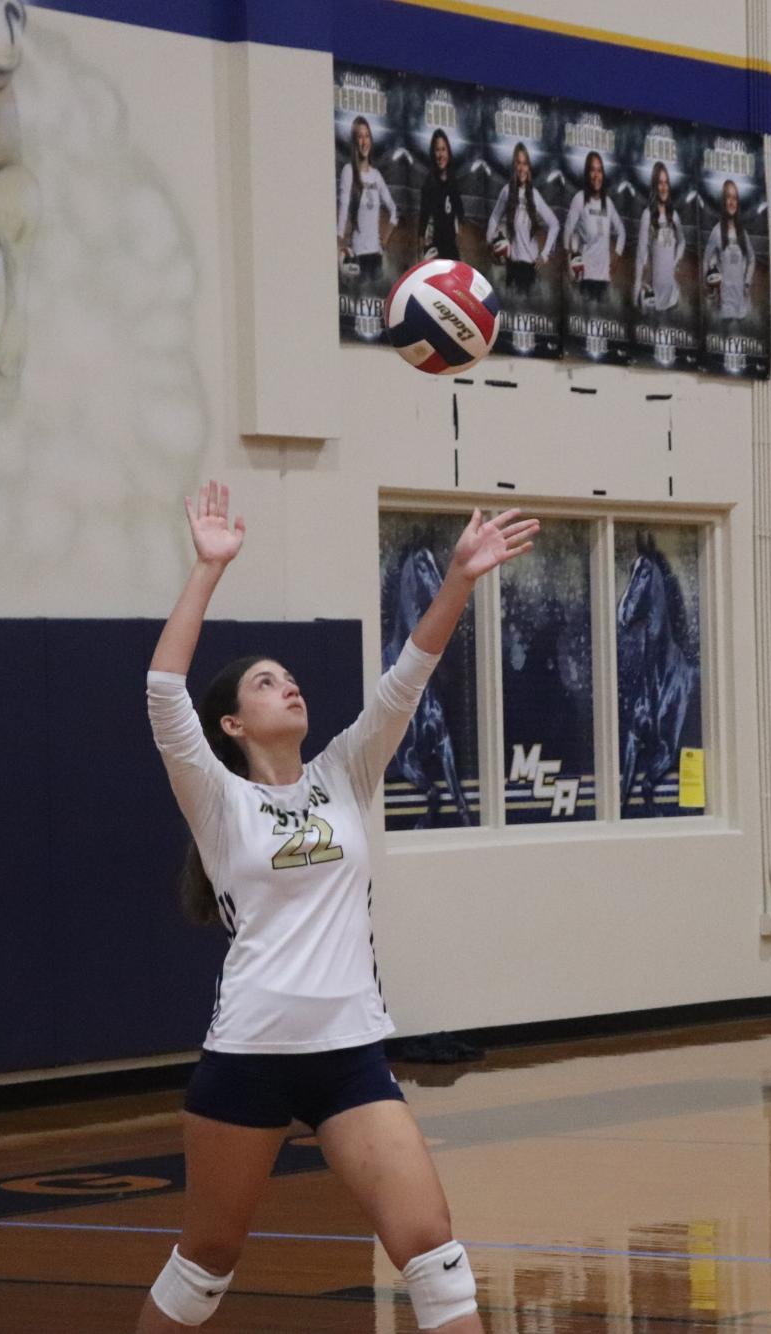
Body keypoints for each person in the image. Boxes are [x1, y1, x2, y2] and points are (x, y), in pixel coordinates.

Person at [138, 483, 538, 1334]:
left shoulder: (343, 775)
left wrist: (460, 580)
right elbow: (163, 690)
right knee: (205, 1262)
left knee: (433, 1253)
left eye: (289, 678)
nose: (288, 687)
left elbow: (408, 677)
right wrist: (207, 570)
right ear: (233, 724)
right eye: (264, 682)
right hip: (249, 1051)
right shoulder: (216, 799)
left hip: (350, 1049)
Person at [486, 142, 556, 297]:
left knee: (527, 308)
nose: (521, 168)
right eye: (518, 163)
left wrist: (544, 254)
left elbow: (554, 224)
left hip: (530, 267)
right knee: (511, 307)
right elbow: (494, 218)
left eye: (525, 164)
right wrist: (490, 241)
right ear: (514, 165)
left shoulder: (535, 195)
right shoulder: (506, 191)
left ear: (529, 167)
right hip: (512, 264)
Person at [336, 117, 397, 282]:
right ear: (355, 141)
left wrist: (383, 241)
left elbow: (393, 210)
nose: (364, 141)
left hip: (376, 256)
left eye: (367, 136)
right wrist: (340, 243)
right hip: (357, 255)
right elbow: (343, 207)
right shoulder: (348, 171)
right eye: (359, 136)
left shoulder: (376, 175)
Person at [561, 149, 624, 302]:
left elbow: (622, 231)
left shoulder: (607, 203)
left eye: (599, 170)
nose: (596, 175)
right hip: (584, 275)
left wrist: (616, 257)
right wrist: (569, 263)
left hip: (603, 278)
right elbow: (568, 231)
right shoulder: (580, 199)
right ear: (587, 174)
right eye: (592, 170)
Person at [635, 160, 685, 314]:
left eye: (666, 183)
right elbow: (641, 253)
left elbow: (682, 242)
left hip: (672, 296)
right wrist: (637, 290)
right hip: (653, 297)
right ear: (654, 186)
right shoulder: (647, 215)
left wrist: (675, 261)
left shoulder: (674, 216)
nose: (664, 187)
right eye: (660, 183)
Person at [702, 176, 753, 325]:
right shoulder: (717, 231)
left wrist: (747, 283)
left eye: (735, 198)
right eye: (728, 198)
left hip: (741, 304)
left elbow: (752, 259)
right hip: (723, 305)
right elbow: (706, 259)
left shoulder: (742, 232)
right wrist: (710, 287)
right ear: (723, 201)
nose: (732, 202)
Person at [416, 129, 465, 262]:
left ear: (448, 152)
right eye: (437, 150)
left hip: (452, 248)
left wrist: (458, 233)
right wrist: (422, 250)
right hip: (434, 249)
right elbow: (423, 219)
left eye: (443, 149)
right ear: (433, 153)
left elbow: (460, 213)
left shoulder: (453, 181)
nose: (441, 154)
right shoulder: (429, 184)